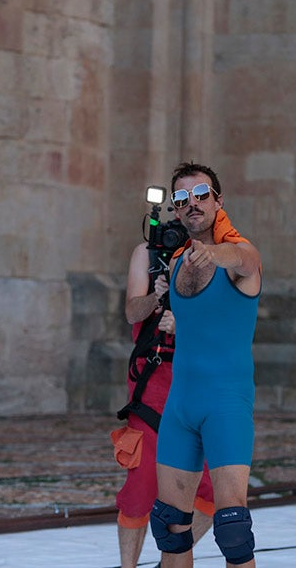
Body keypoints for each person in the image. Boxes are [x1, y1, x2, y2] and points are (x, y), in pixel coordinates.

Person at [151, 161, 262, 568]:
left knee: (233, 529)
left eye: (201, 195)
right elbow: (203, 323)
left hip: (226, 404)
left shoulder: (236, 254)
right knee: (170, 528)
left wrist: (213, 254)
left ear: (218, 200)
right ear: (176, 209)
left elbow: (244, 260)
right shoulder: (179, 260)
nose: (192, 204)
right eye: (182, 198)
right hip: (181, 405)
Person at [113, 227, 215, 567]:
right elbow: (132, 312)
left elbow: (224, 327)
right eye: (182, 199)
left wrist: (183, 326)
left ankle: (166, 562)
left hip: (194, 379)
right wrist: (157, 297)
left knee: (214, 486)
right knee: (142, 483)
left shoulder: (215, 255)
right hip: (151, 380)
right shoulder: (147, 253)